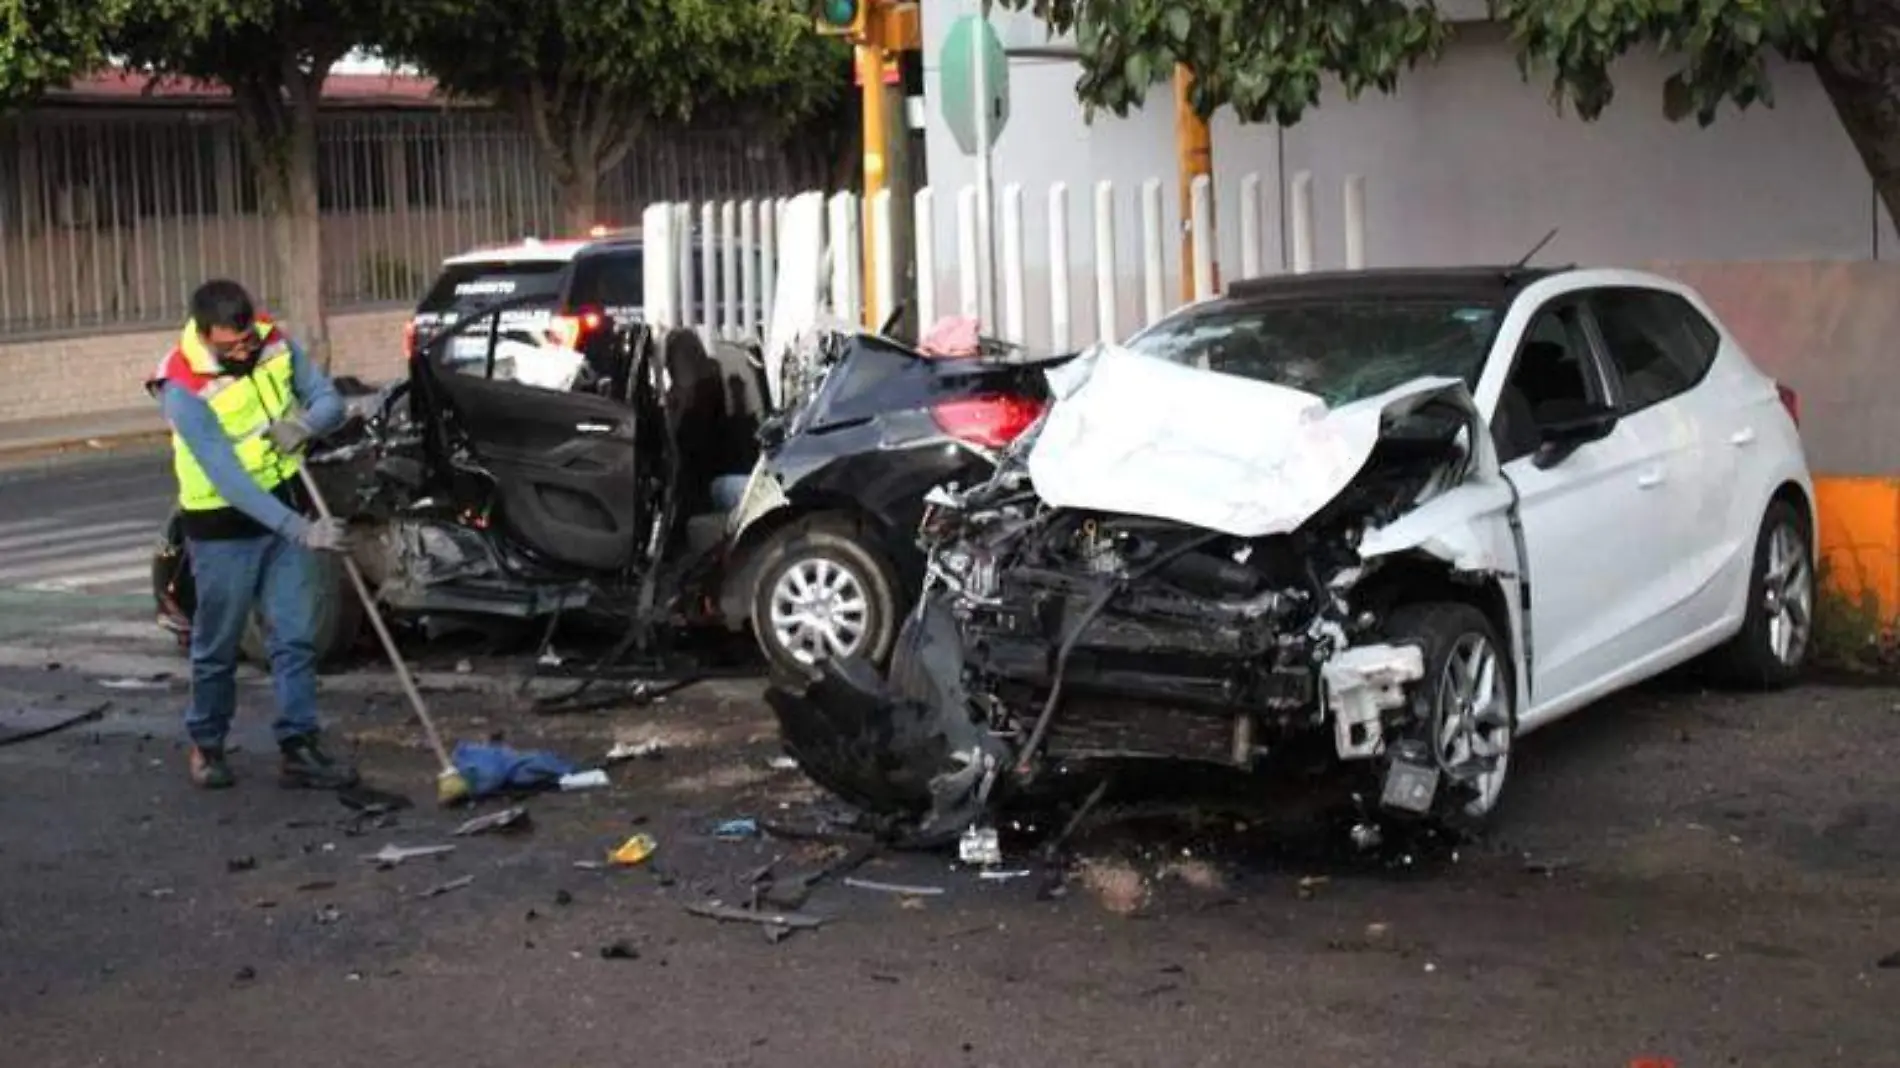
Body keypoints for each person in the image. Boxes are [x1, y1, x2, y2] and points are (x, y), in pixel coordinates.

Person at [146, 279, 360, 791]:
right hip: (222, 527)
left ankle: (299, 745)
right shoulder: (182, 386)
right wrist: (303, 531)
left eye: (246, 341)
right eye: (230, 346)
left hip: (285, 503)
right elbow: (229, 479)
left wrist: (307, 425)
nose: (243, 351)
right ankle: (208, 742)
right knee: (217, 644)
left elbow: (328, 399)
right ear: (204, 334)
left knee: (294, 636)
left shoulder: (272, 341)